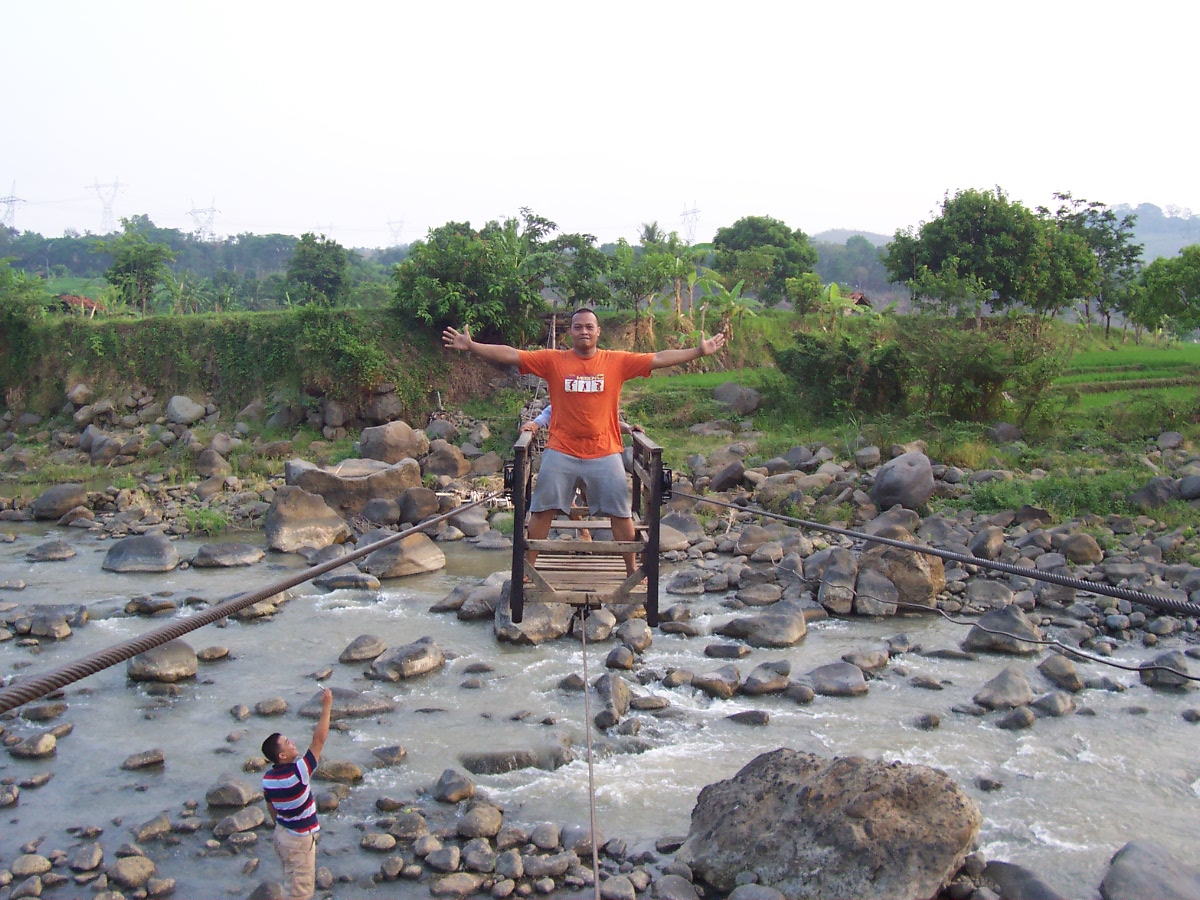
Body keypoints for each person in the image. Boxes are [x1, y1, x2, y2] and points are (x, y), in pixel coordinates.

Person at [443, 307, 725, 573]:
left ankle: (631, 568)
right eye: (578, 327)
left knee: (621, 513)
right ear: (570, 334)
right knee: (541, 511)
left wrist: (698, 351)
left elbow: (659, 358)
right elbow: (512, 355)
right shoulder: (554, 360)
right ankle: (529, 568)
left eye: (589, 327)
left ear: (598, 331)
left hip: (606, 451)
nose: (584, 332)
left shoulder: (617, 361)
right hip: (561, 451)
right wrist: (473, 346)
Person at [261, 686, 333, 900]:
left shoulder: (268, 779)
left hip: (282, 835)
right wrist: (327, 705)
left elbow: (271, 807)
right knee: (300, 893)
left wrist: (282, 824)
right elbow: (319, 740)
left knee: (290, 881)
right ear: (282, 755)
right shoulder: (298, 773)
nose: (292, 743)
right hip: (299, 839)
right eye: (287, 743)